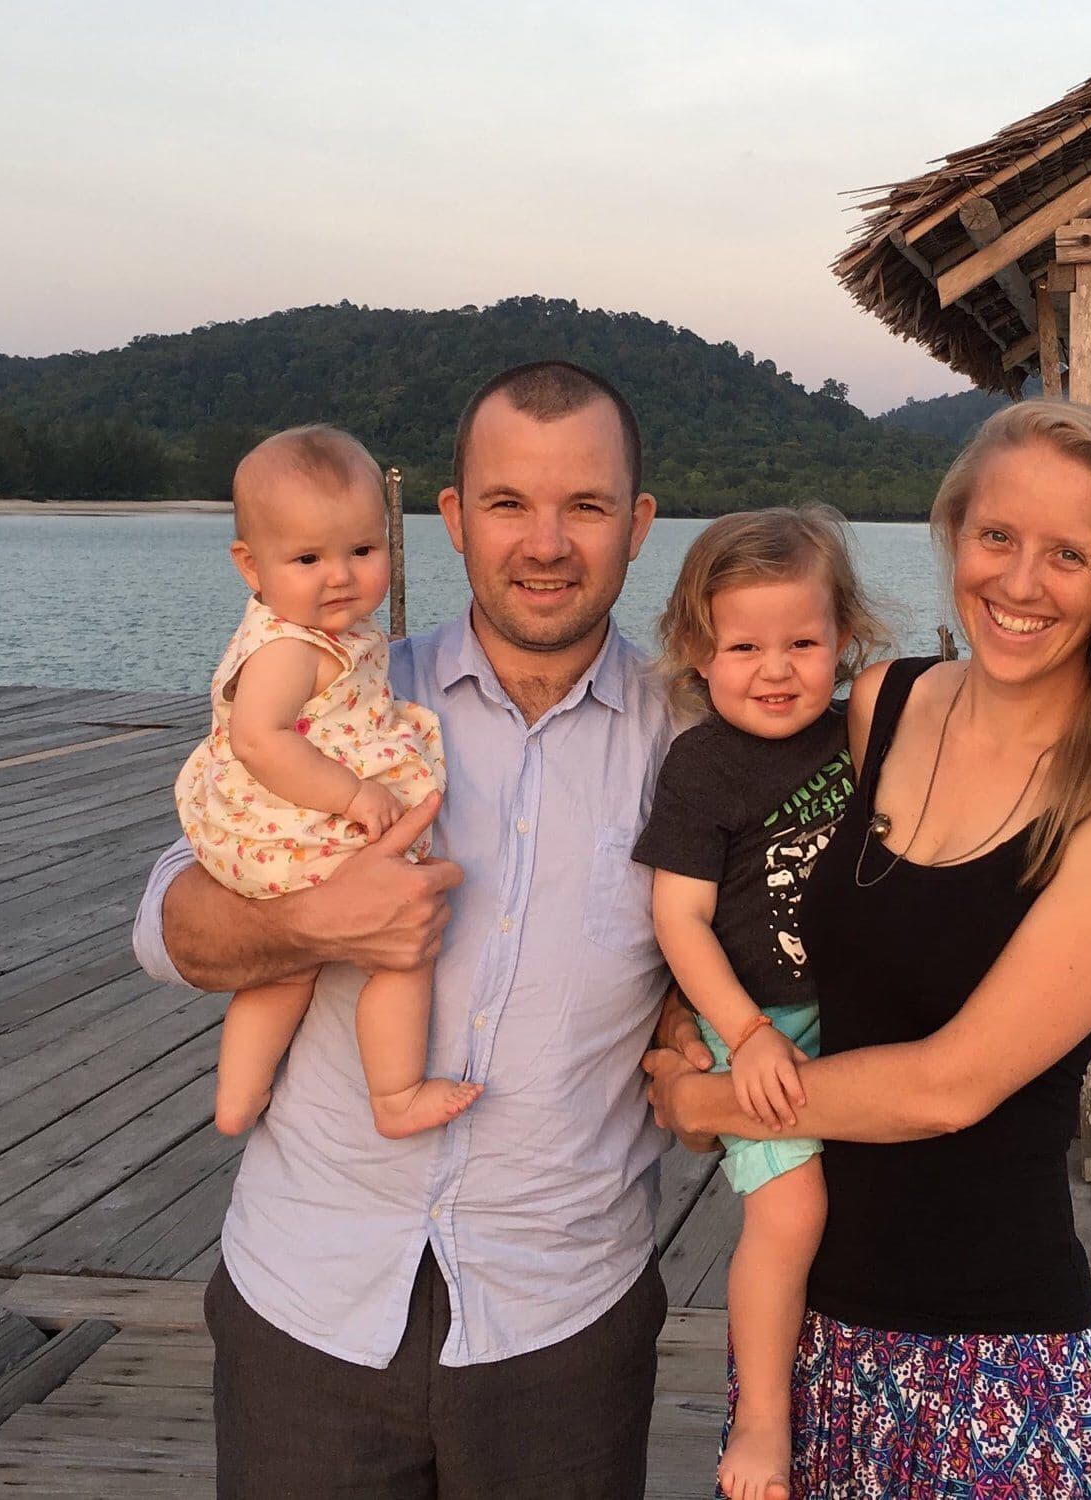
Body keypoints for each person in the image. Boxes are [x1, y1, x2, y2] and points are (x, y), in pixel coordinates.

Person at [133, 361, 708, 1498]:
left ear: (640, 525)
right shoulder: (342, 699)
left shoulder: (694, 747)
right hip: (309, 1301)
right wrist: (310, 923)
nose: (544, 543)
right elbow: (167, 929)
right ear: (451, 519)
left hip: (563, 1318)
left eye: (585, 506)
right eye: (506, 504)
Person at [645, 399, 1091, 1498]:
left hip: (993, 1357)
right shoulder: (882, 703)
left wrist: (704, 1102)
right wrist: (693, 1018)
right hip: (814, 1328)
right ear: (953, 528)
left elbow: (947, 1089)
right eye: (997, 536)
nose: (1018, 582)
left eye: (1069, 555)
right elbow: (764, 899)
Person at [632, 507, 889, 1500]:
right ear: (699, 652)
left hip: (855, 1010)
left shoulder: (859, 740)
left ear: (846, 641)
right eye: (744, 646)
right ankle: (762, 1426)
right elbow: (680, 919)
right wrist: (740, 1035)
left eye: (802, 643)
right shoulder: (702, 768)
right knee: (790, 1213)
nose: (774, 669)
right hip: (760, 1023)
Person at [175, 424, 477, 1141]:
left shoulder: (317, 630)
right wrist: (353, 795)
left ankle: (236, 1101)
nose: (339, 576)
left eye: (362, 552)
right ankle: (395, 1094)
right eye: (307, 557)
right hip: (288, 829)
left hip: (265, 832)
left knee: (283, 974)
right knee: (406, 948)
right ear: (251, 565)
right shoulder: (288, 646)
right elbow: (256, 737)